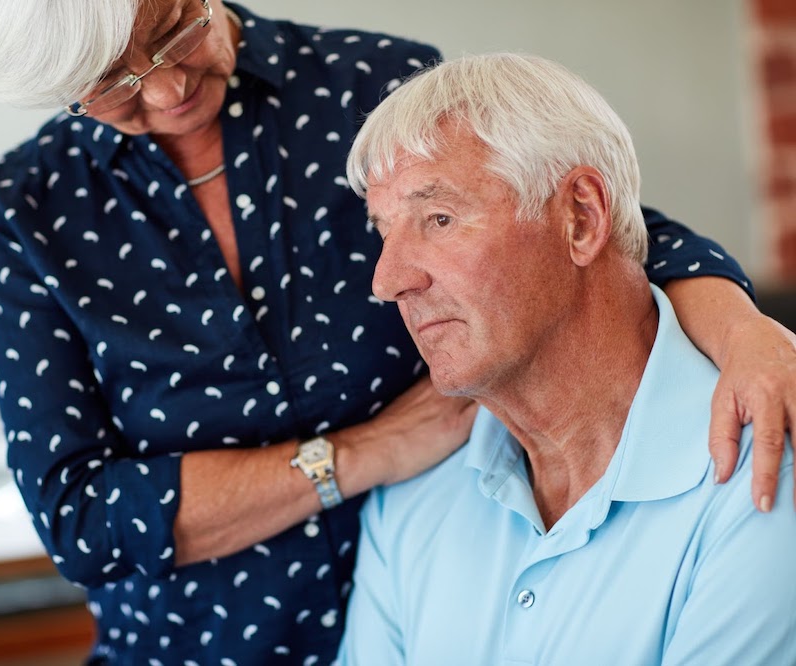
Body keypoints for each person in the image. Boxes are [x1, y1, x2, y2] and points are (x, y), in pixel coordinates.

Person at [0, 1, 796, 663]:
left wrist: (745, 325)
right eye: (113, 82)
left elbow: (579, 219)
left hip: (455, 597)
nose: (166, 90)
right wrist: (367, 454)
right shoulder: (31, 207)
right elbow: (82, 516)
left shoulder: (359, 86)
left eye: (173, 29)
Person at [338, 53, 796, 665]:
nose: (388, 279)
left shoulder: (764, 477)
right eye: (384, 232)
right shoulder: (409, 503)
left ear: (580, 217)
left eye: (438, 218)